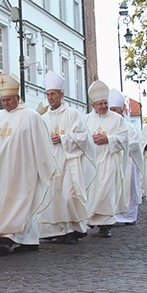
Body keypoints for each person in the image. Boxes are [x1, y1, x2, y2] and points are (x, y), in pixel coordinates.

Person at [0, 72, 58, 255]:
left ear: (18, 98)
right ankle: (19, 239)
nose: (5, 104)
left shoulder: (31, 117)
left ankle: (9, 237)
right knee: (1, 202)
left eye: (9, 100)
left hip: (22, 170)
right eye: (3, 100)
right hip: (0, 171)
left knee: (21, 202)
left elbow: (42, 143)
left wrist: (46, 166)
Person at [37, 71, 95, 244]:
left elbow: (84, 137)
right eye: (47, 94)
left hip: (69, 161)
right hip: (52, 162)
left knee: (69, 195)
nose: (50, 98)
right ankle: (58, 230)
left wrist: (63, 138)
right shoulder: (43, 117)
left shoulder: (72, 114)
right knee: (53, 197)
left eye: (53, 94)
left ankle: (75, 228)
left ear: (61, 95)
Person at [84, 80, 129, 237]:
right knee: (93, 191)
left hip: (109, 160)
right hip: (92, 162)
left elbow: (124, 137)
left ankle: (106, 225)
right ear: (93, 105)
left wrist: (108, 139)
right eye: (99, 104)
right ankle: (91, 220)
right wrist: (90, 139)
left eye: (105, 103)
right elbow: (81, 138)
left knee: (106, 191)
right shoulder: (86, 120)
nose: (103, 106)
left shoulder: (117, 120)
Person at [109, 89, 143, 225]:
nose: (113, 113)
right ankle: (113, 215)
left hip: (127, 162)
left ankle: (129, 215)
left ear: (122, 110)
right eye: (110, 109)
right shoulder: (108, 125)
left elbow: (134, 144)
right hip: (112, 162)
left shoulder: (129, 127)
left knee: (128, 190)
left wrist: (117, 143)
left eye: (115, 110)